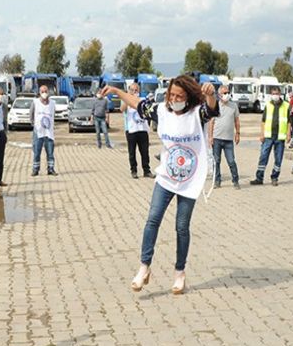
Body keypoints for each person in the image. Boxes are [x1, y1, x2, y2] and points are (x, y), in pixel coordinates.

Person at [100, 75, 218, 295]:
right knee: (152, 219)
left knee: (181, 227)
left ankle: (179, 273)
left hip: (189, 180)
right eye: (171, 95)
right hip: (166, 177)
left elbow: (211, 109)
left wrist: (211, 95)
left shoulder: (196, 114)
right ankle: (144, 267)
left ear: (189, 97)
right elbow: (136, 103)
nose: (174, 99)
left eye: (179, 96)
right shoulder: (161, 112)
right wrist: (116, 91)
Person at [251, 86, 291, 186]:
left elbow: (289, 121)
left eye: (277, 94)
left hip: (280, 137)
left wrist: (289, 134)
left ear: (280, 94)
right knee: (263, 156)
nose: (275, 96)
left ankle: (275, 177)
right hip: (268, 136)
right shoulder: (268, 105)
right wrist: (262, 133)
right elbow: (263, 121)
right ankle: (259, 178)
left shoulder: (286, 105)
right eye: (273, 94)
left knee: (278, 158)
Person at [207, 85, 240, 188]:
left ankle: (235, 180)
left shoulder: (233, 106)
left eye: (228, 92)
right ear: (219, 95)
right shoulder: (215, 105)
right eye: (224, 93)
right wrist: (210, 137)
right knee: (216, 161)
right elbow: (211, 122)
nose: (227, 94)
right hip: (217, 138)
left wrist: (238, 133)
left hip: (228, 139)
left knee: (231, 161)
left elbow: (237, 121)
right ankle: (217, 181)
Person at [122, 83, 153, 179]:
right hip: (131, 130)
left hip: (142, 129)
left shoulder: (142, 100)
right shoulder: (125, 100)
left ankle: (146, 170)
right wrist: (128, 99)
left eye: (136, 90)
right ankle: (134, 171)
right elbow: (121, 109)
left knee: (145, 151)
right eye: (132, 90)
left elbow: (149, 111)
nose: (134, 92)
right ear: (129, 90)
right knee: (132, 152)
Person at [30, 85, 58, 176]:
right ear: (39, 92)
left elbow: (53, 114)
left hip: (49, 132)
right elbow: (31, 114)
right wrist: (34, 124)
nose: (44, 93)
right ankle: (35, 169)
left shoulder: (53, 103)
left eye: (46, 91)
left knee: (50, 151)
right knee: (37, 151)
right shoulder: (35, 102)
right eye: (42, 91)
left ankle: (51, 168)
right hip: (38, 131)